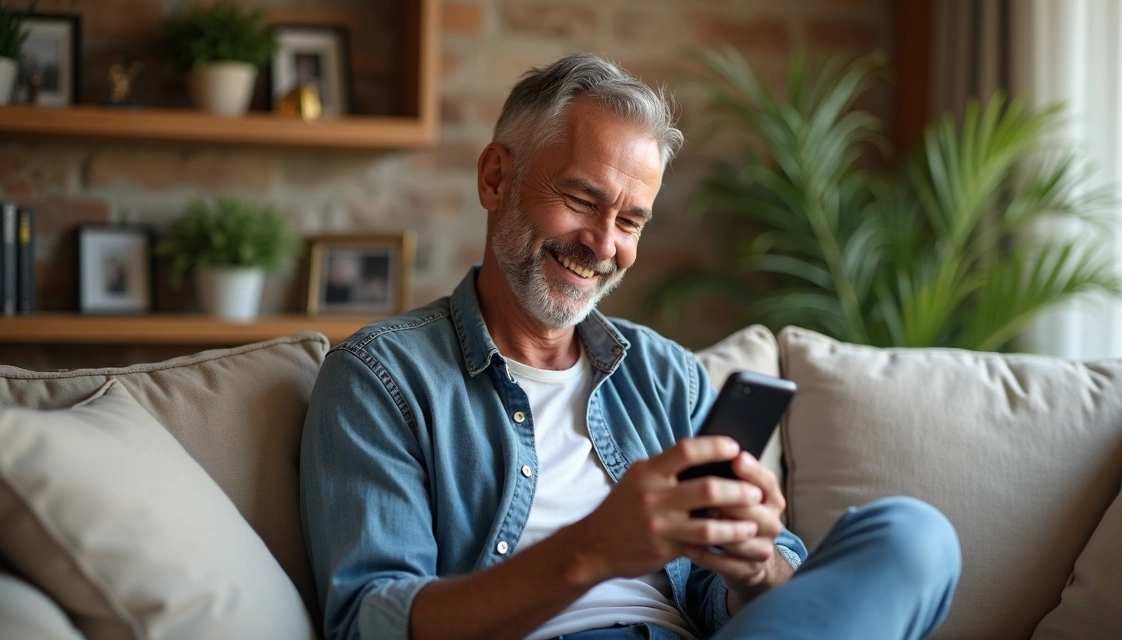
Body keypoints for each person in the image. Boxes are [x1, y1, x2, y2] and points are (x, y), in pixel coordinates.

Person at [300, 53, 961, 640]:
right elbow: (370, 621)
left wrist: (757, 568)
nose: (603, 243)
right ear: (496, 179)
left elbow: (726, 599)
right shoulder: (382, 377)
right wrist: (591, 549)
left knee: (914, 537)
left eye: (630, 221)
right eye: (581, 200)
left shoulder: (669, 377)